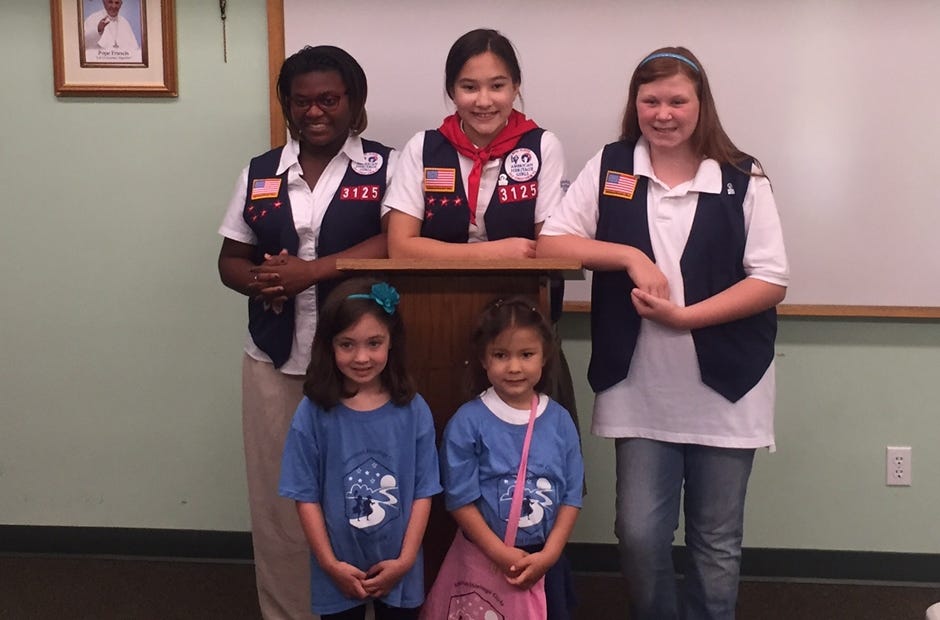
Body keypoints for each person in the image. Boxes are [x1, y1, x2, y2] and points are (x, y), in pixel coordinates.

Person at [537, 46, 789, 619]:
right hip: (640, 387)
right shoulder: (612, 164)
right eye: (650, 100)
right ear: (635, 104)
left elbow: (771, 279)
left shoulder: (742, 177)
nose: (664, 113)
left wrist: (686, 318)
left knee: (715, 541)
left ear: (702, 104)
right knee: (640, 535)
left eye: (677, 100)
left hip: (728, 388)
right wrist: (626, 254)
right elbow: (553, 242)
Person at [217, 45, 396, 619]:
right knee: (282, 502)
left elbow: (396, 242)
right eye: (301, 102)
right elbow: (230, 259)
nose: (315, 112)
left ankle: (365, 607)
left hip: (360, 365)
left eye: (329, 99)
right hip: (274, 359)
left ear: (354, 104)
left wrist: (312, 272)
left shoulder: (388, 166)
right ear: (287, 107)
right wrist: (264, 283)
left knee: (365, 494)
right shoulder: (261, 170)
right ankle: (289, 611)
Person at [381, 26, 579, 431]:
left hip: (519, 338)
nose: (484, 101)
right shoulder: (424, 147)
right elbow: (400, 247)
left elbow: (550, 248)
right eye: (469, 87)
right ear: (452, 91)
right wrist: (498, 251)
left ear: (516, 87)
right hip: (432, 328)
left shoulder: (542, 146)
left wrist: (443, 250)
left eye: (497, 86)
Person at [279, 278, 441, 619]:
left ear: (391, 342)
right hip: (336, 565)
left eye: (374, 343)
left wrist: (407, 560)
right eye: (347, 344)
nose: (362, 357)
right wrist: (328, 562)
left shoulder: (413, 410)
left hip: (400, 563)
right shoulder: (313, 413)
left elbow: (424, 491)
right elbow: (304, 495)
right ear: (329, 346)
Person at [439, 296, 584, 620]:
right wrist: (499, 553)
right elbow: (460, 499)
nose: (514, 367)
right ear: (483, 358)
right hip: (485, 557)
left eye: (526, 354)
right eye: (501, 355)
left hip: (547, 559)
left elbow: (572, 496)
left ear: (544, 356)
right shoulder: (467, 422)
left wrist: (551, 553)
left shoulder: (559, 420)